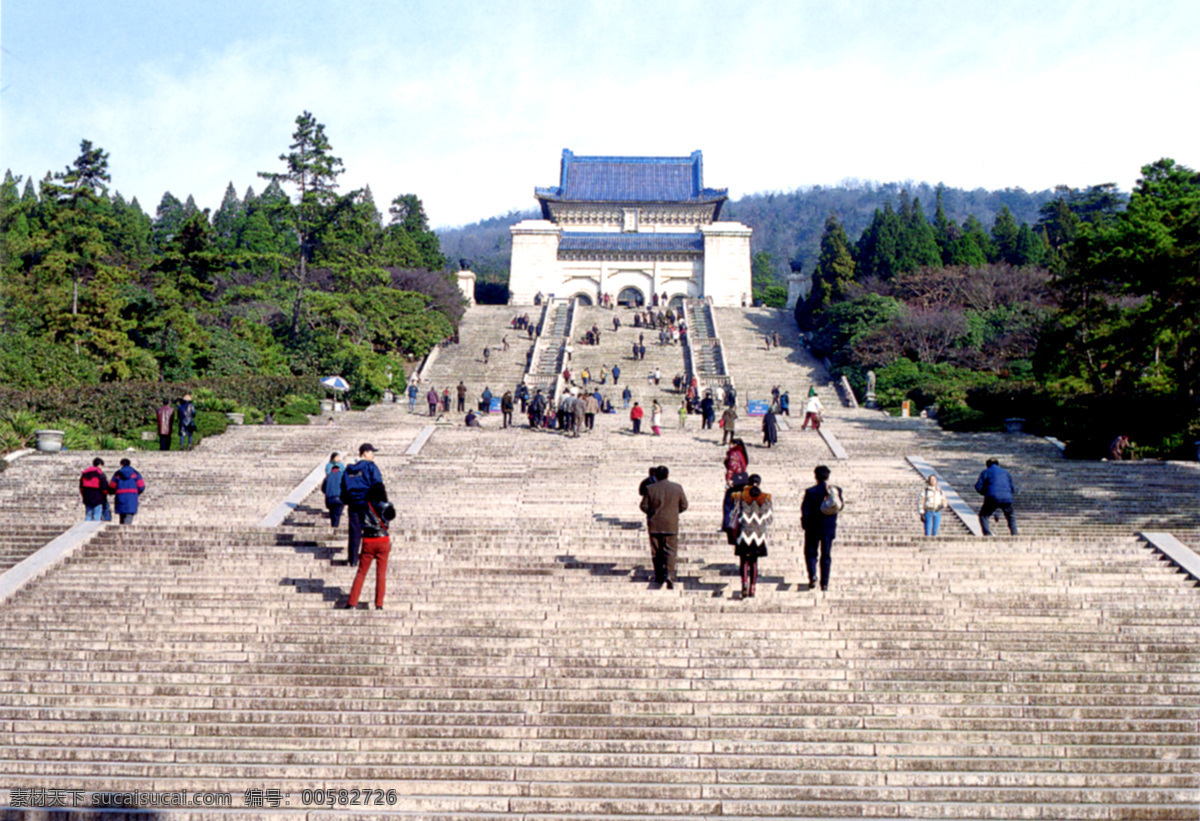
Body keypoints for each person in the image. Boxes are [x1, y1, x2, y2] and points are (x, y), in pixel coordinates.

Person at [640, 465, 688, 589]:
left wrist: (652, 513)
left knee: (657, 551)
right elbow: (684, 505)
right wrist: (673, 513)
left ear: (655, 475)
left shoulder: (650, 488)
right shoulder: (677, 488)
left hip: (655, 524)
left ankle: (659, 575)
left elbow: (643, 506)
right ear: (667, 474)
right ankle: (670, 575)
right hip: (671, 524)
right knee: (670, 551)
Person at [341, 443, 388, 567]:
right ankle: (368, 555)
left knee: (354, 531)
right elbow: (377, 484)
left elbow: (343, 487)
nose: (373, 455)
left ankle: (353, 558)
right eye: (372, 452)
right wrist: (382, 503)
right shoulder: (370, 466)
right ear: (365, 453)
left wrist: (348, 500)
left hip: (353, 503)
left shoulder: (349, 469)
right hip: (367, 502)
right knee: (371, 528)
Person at [345, 499, 395, 610]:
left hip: (368, 539)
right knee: (381, 574)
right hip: (383, 539)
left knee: (361, 573)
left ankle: (352, 602)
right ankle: (379, 604)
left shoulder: (363, 504)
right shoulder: (387, 504)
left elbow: (359, 522)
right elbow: (391, 516)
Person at [732, 474, 772, 599]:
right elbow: (769, 519)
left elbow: (734, 513)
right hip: (759, 534)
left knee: (744, 560)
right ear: (759, 483)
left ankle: (744, 583)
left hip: (744, 533)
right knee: (754, 561)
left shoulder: (740, 496)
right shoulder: (766, 497)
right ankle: (753, 586)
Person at [801, 465, 840, 591]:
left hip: (813, 527)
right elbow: (839, 506)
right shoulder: (835, 491)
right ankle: (824, 583)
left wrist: (805, 525)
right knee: (826, 555)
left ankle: (812, 575)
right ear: (828, 476)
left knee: (811, 553)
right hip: (828, 527)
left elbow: (805, 510)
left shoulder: (810, 492)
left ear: (815, 476)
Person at [975, 458, 1017, 536]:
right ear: (998, 465)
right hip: (1006, 498)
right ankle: (1014, 533)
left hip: (992, 497)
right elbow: (1012, 488)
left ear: (987, 465)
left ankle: (987, 534)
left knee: (983, 515)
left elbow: (978, 486)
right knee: (1011, 516)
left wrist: (985, 493)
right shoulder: (1006, 473)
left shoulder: (985, 472)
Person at [110, 458, 145, 525]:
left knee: (122, 517)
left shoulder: (117, 474)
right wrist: (136, 493)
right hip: (132, 498)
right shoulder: (135, 474)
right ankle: (124, 533)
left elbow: (112, 486)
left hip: (120, 497)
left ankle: (121, 532)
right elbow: (141, 487)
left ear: (121, 464)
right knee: (129, 516)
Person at [323, 463, 345, 528]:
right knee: (337, 514)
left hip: (329, 498)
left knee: (332, 513)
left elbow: (323, 488)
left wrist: (328, 492)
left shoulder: (328, 476)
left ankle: (333, 525)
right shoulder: (342, 476)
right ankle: (335, 527)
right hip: (339, 497)